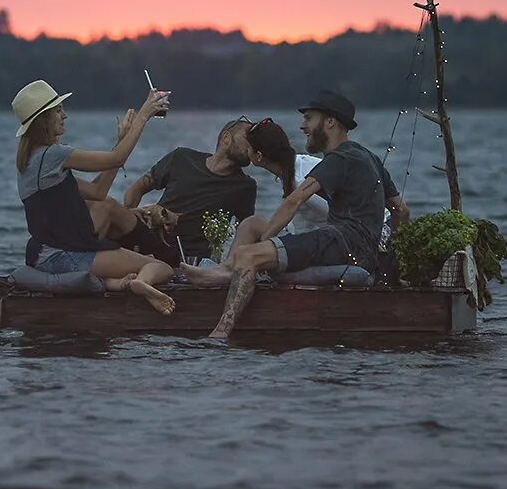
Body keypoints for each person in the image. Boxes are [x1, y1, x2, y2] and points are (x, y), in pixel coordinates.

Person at [208, 91, 405, 338]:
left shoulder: (338, 159)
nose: (303, 126)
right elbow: (401, 210)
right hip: (357, 249)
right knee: (253, 241)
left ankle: (220, 334)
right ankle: (225, 278)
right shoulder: (369, 157)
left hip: (339, 242)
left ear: (330, 122)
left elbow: (295, 200)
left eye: (310, 119)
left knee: (249, 255)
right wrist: (393, 262)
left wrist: (264, 243)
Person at [13, 79, 176, 315]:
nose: (64, 115)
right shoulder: (53, 155)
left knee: (108, 211)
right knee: (161, 267)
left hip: (46, 256)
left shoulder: (33, 161)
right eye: (58, 110)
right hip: (64, 257)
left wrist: (121, 140)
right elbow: (117, 160)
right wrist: (144, 115)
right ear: (44, 119)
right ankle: (143, 283)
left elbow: (98, 192)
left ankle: (124, 283)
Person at [182, 117, 409, 285]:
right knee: (251, 224)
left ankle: (228, 272)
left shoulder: (301, 177)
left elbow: (334, 217)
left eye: (248, 148)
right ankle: (226, 269)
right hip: (321, 237)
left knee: (260, 236)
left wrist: (267, 245)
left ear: (259, 157)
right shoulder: (290, 173)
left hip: (353, 242)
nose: (244, 151)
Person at [122, 118, 257, 262]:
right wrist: (130, 229)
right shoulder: (182, 158)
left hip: (196, 260)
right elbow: (135, 190)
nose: (254, 144)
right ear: (226, 138)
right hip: (152, 249)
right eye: (248, 137)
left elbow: (246, 233)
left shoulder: (245, 186)